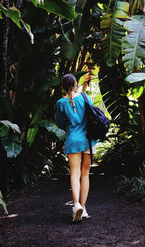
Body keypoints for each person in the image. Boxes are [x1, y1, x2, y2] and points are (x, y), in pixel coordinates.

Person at [55, 73, 97, 222]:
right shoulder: (85, 98)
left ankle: (76, 205)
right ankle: (84, 208)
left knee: (74, 173)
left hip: (73, 140)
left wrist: (69, 126)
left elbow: (59, 122)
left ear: (63, 87)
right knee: (85, 174)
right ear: (75, 84)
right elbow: (94, 116)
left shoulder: (61, 103)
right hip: (88, 140)